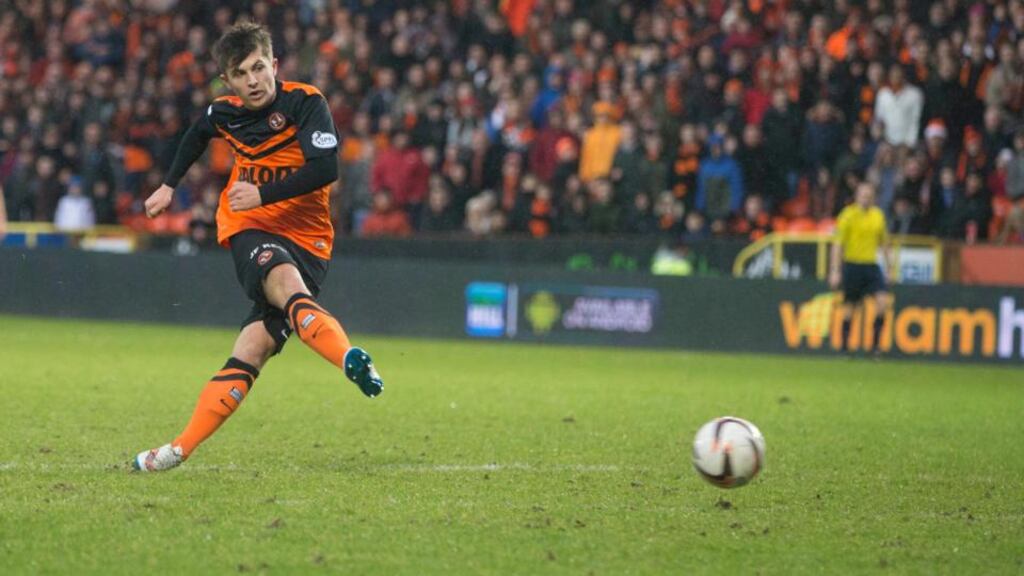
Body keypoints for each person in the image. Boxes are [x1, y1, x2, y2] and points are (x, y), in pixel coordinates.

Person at [133, 23, 383, 473]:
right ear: (226, 81)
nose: (253, 80)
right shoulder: (222, 112)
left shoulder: (306, 103)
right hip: (249, 226)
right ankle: (348, 358)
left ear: (275, 66)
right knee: (284, 282)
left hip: (309, 239)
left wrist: (264, 193)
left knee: (253, 349)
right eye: (240, 73)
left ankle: (177, 449)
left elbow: (325, 169)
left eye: (258, 67)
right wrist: (169, 186)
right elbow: (195, 135)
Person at [829, 182, 892, 356]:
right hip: (852, 265)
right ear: (857, 196)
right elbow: (838, 245)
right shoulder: (848, 215)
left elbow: (885, 243)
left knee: (882, 303)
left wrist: (889, 267)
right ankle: (844, 346)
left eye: (869, 195)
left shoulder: (878, 215)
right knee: (850, 308)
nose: (866, 198)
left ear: (873, 197)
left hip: (871, 266)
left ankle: (875, 346)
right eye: (863, 195)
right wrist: (835, 270)